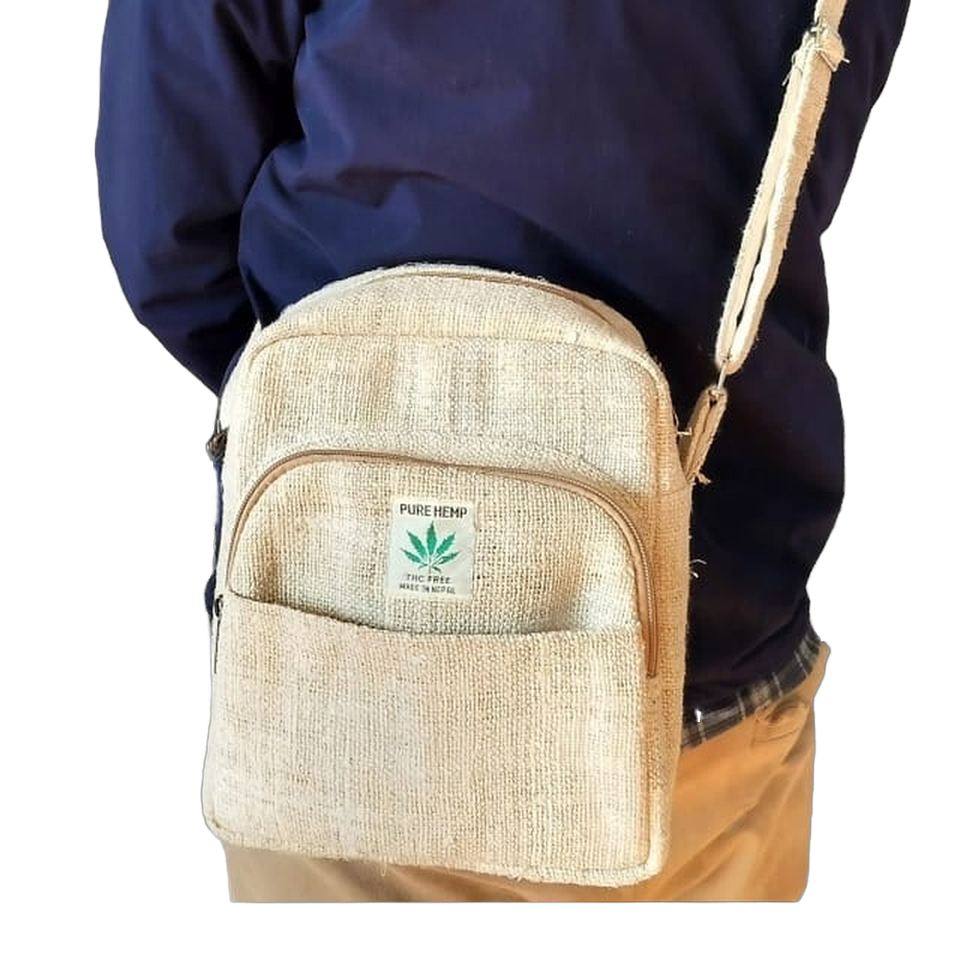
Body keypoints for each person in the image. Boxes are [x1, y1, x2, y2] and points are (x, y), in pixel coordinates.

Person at [95, 0, 910, 901]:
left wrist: (349, 408)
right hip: (717, 653)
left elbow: (166, 227)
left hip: (354, 680)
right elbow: (792, 154)